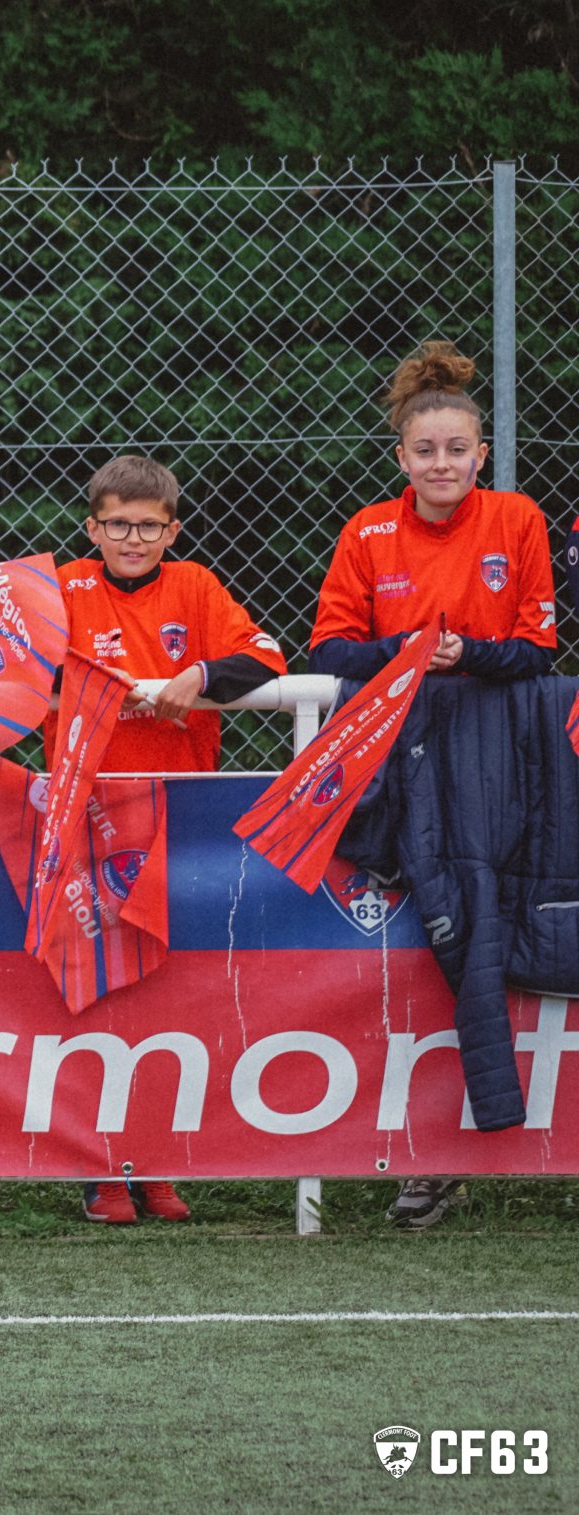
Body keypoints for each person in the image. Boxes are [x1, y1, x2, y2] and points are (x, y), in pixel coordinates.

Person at [310, 340, 557, 1231]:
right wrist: (409, 650)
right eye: (426, 451)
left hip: (500, 752)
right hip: (400, 753)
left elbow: (538, 647)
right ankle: (423, 1152)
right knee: (424, 931)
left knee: (501, 920)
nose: (442, 464)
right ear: (402, 458)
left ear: (480, 457)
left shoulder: (518, 518)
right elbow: (330, 649)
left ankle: (513, 1139)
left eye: (458, 450)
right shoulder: (368, 531)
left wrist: (468, 654)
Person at [56, 453, 286, 1226]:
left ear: (172, 530)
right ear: (92, 527)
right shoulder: (61, 588)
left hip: (177, 816)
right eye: (117, 523)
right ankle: (99, 1168)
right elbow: (6, 670)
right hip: (88, 814)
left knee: (166, 995)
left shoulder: (195, 587)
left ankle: (154, 1162)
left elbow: (266, 656)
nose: (132, 537)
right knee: (95, 994)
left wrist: (201, 673)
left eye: (148, 526)